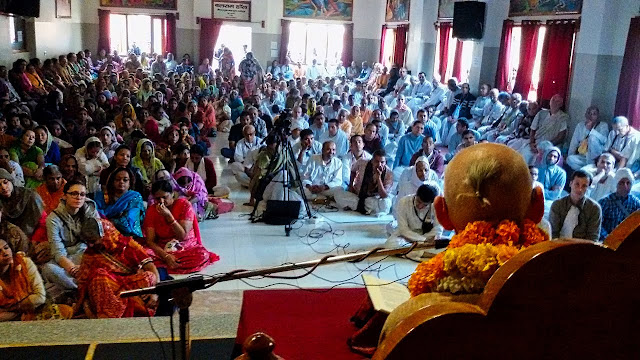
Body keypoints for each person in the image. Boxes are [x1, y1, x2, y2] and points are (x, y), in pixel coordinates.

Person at [75, 218, 159, 318]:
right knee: (99, 276)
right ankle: (108, 316)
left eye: (93, 241)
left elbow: (151, 268)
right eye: (87, 242)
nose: (90, 245)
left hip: (129, 286)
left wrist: (155, 292)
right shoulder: (90, 254)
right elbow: (83, 286)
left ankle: (138, 308)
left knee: (149, 277)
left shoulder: (128, 245)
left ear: (105, 235)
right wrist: (86, 308)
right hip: (107, 290)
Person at [144, 180, 220, 274]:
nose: (161, 202)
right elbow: (150, 241)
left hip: (185, 246)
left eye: (164, 197)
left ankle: (164, 266)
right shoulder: (152, 210)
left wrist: (169, 217)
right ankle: (168, 263)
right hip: (162, 247)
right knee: (143, 255)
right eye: (158, 199)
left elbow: (182, 236)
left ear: (172, 194)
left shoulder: (184, 205)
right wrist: (166, 256)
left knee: (201, 255)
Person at [43, 180, 99, 293]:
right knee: (48, 269)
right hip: (66, 258)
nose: (78, 197)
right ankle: (81, 289)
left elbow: (98, 239)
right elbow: (58, 251)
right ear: (64, 196)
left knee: (100, 261)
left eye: (82, 194)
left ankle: (73, 288)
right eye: (74, 193)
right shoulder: (53, 219)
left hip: (87, 254)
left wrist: (85, 265)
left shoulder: (90, 211)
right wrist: (73, 269)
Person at [0, 238, 73, 321]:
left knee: (65, 311)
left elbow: (40, 297)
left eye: (6, 248)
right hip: (10, 318)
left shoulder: (24, 263)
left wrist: (12, 309)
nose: (5, 253)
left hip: (31, 311)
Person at [336, 150, 393, 216]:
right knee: (338, 193)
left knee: (386, 203)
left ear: (385, 162)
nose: (379, 165)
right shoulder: (362, 162)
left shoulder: (389, 173)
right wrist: (351, 185)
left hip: (375, 199)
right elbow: (353, 171)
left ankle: (361, 206)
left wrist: (378, 178)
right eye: (377, 161)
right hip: (358, 195)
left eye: (382, 162)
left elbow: (384, 196)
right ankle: (368, 208)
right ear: (372, 161)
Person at [549, 170, 602, 242]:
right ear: (570, 184)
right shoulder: (557, 205)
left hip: (582, 248)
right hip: (558, 245)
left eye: (584, 186)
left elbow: (593, 238)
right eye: (577, 184)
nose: (580, 189)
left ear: (588, 188)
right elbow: (553, 233)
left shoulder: (594, 209)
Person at [385, 184, 443, 248]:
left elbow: (438, 228)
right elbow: (403, 229)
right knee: (391, 244)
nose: (420, 206)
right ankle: (425, 254)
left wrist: (428, 238)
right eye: (418, 201)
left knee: (447, 245)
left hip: (427, 236)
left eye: (425, 205)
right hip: (407, 236)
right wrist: (424, 240)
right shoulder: (404, 202)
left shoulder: (435, 205)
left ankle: (413, 252)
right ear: (416, 194)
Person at [95, 167, 145, 238]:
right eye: (118, 179)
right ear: (112, 181)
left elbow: (130, 219)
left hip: (128, 235)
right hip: (104, 233)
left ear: (130, 182)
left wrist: (112, 221)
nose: (121, 182)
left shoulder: (135, 197)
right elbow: (96, 213)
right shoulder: (101, 196)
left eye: (125, 180)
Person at [520, 94, 570, 165]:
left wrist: (546, 145)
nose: (554, 103)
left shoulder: (563, 117)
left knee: (540, 160)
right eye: (553, 100)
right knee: (526, 154)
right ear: (550, 102)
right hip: (536, 142)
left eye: (557, 101)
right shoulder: (541, 113)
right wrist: (531, 143)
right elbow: (533, 129)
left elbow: (560, 137)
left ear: (561, 104)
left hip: (551, 144)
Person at [0, 168, 45, 239]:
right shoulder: (1, 202)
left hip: (35, 237)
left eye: (5, 182)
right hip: (10, 240)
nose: (3, 187)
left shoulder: (29, 196)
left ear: (11, 181)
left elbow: (42, 223)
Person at [598, 168, 640, 241]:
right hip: (608, 241)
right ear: (616, 184)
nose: (625, 186)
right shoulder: (605, 202)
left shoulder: (635, 202)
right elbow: (598, 224)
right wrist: (608, 238)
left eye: (628, 183)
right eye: (622, 183)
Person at [566, 106, 610, 170]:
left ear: (598, 116)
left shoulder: (603, 125)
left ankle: (589, 166)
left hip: (595, 157)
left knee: (592, 138)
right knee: (569, 159)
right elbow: (574, 143)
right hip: (583, 156)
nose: (591, 116)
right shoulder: (580, 125)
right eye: (589, 113)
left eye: (594, 114)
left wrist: (591, 130)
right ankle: (585, 170)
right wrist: (570, 154)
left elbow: (605, 141)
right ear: (585, 115)